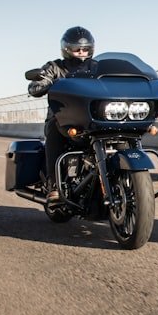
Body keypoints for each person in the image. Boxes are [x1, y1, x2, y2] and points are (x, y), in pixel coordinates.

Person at [28, 26, 99, 202]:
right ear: (67, 49)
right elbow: (36, 85)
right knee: (54, 129)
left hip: (92, 119)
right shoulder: (55, 67)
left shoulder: (98, 67)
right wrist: (43, 84)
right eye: (77, 49)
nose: (82, 52)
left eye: (86, 49)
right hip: (63, 119)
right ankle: (54, 185)